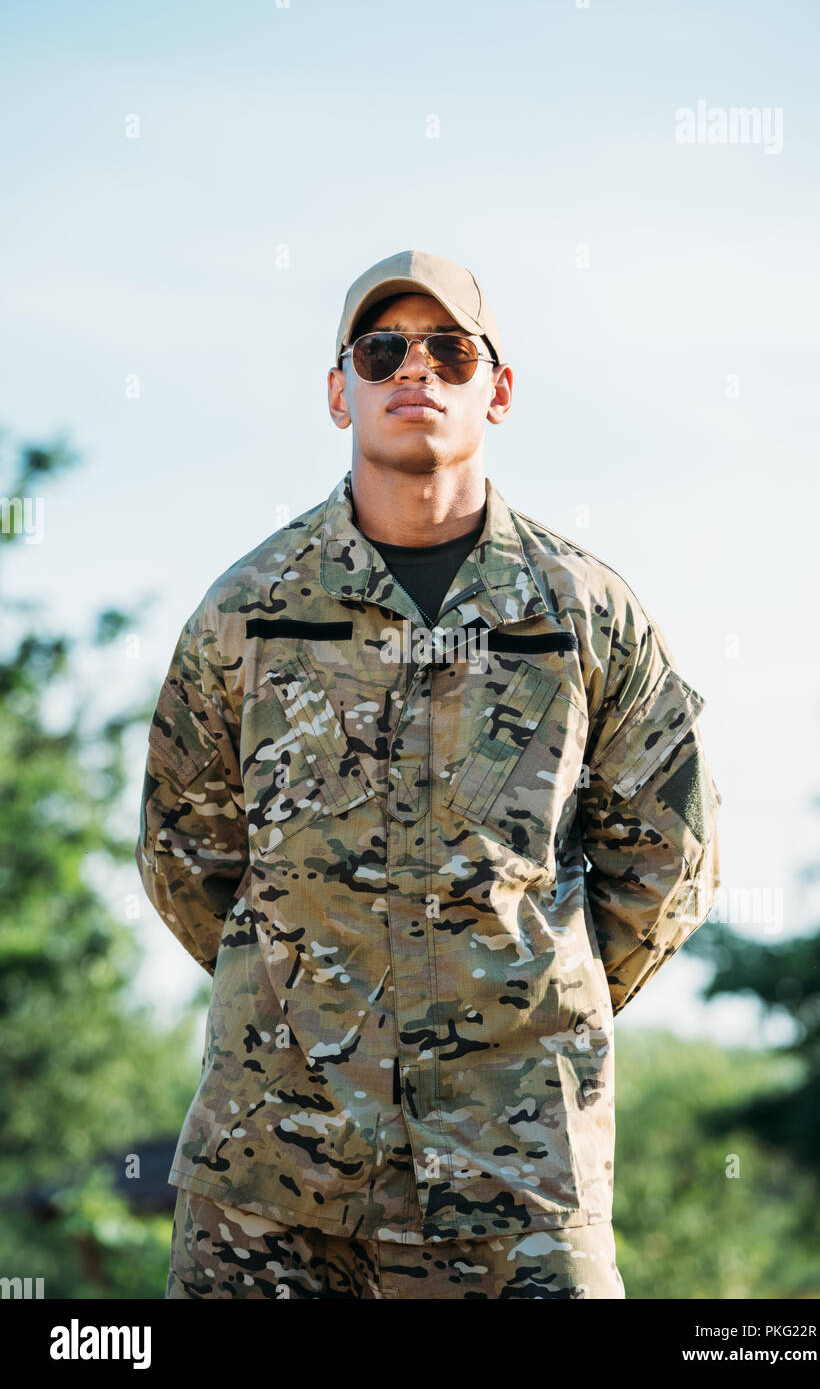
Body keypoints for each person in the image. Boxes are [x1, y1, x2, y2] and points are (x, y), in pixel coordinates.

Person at [136, 248, 722, 1299]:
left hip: (519, 1180)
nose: (417, 370)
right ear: (339, 390)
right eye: (383, 349)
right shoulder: (247, 612)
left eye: (451, 350)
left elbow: (665, 862)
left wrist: (526, 998)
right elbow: (188, 857)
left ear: (496, 390)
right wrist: (312, 998)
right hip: (276, 1181)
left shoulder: (584, 615)